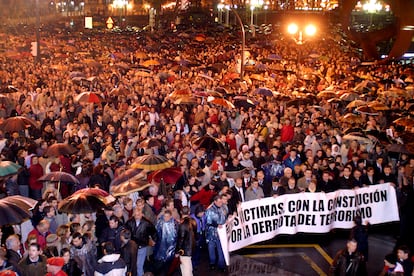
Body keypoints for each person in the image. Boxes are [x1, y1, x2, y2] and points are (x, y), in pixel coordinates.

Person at [124, 208, 156, 276]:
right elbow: (125, 232)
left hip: (142, 246)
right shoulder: (129, 222)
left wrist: (154, 240)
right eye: (135, 215)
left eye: (138, 215)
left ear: (141, 214)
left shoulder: (147, 223)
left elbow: (154, 232)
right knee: (132, 264)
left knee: (139, 265)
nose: (137, 216)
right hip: (132, 247)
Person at [205, 194, 227, 272]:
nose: (221, 203)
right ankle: (212, 263)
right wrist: (217, 225)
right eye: (219, 202)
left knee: (221, 248)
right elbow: (208, 221)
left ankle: (221, 265)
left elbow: (225, 217)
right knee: (211, 248)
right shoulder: (210, 210)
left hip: (221, 232)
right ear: (215, 201)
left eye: (221, 202)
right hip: (211, 232)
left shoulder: (223, 208)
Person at [153, 210, 177, 276]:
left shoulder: (174, 224)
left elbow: (177, 237)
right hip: (160, 248)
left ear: (170, 216)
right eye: (165, 216)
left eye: (167, 216)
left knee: (167, 268)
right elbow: (155, 233)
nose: (166, 218)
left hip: (170, 249)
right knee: (158, 267)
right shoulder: (160, 222)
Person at [176, 206, 196, 276]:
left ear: (181, 212)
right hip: (192, 247)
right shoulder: (193, 221)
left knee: (185, 269)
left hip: (184, 250)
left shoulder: (182, 224)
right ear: (189, 212)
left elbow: (181, 239)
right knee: (189, 266)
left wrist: (177, 251)